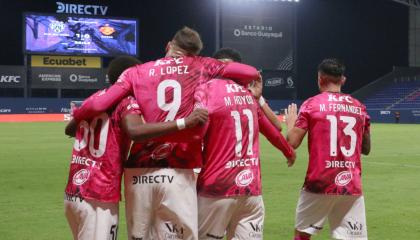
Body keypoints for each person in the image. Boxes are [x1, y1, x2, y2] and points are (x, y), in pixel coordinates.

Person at [73, 27, 260, 240]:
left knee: (140, 237)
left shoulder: (137, 71)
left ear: (168, 46)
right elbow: (250, 72)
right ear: (194, 53)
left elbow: (100, 103)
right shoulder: (202, 65)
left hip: (139, 171)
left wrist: (76, 119)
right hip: (179, 169)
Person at [63, 56, 208, 240]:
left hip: (73, 193)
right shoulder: (126, 101)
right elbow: (135, 131)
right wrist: (184, 123)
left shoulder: (95, 98)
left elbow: (69, 129)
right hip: (98, 193)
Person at [196, 48, 296, 239]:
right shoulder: (248, 96)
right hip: (251, 190)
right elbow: (272, 132)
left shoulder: (206, 89)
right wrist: (289, 152)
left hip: (216, 188)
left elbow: (195, 135)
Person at [285, 58, 371, 240]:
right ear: (343, 80)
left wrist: (290, 124)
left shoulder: (311, 104)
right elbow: (366, 148)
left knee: (302, 235)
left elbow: (292, 143)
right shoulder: (359, 107)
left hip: (319, 183)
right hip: (351, 184)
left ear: (320, 79)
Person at [213, 48, 283, 131]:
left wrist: (258, 100)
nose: (224, 73)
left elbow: (277, 127)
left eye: (228, 68)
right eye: (220, 68)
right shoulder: (204, 92)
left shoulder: (248, 93)